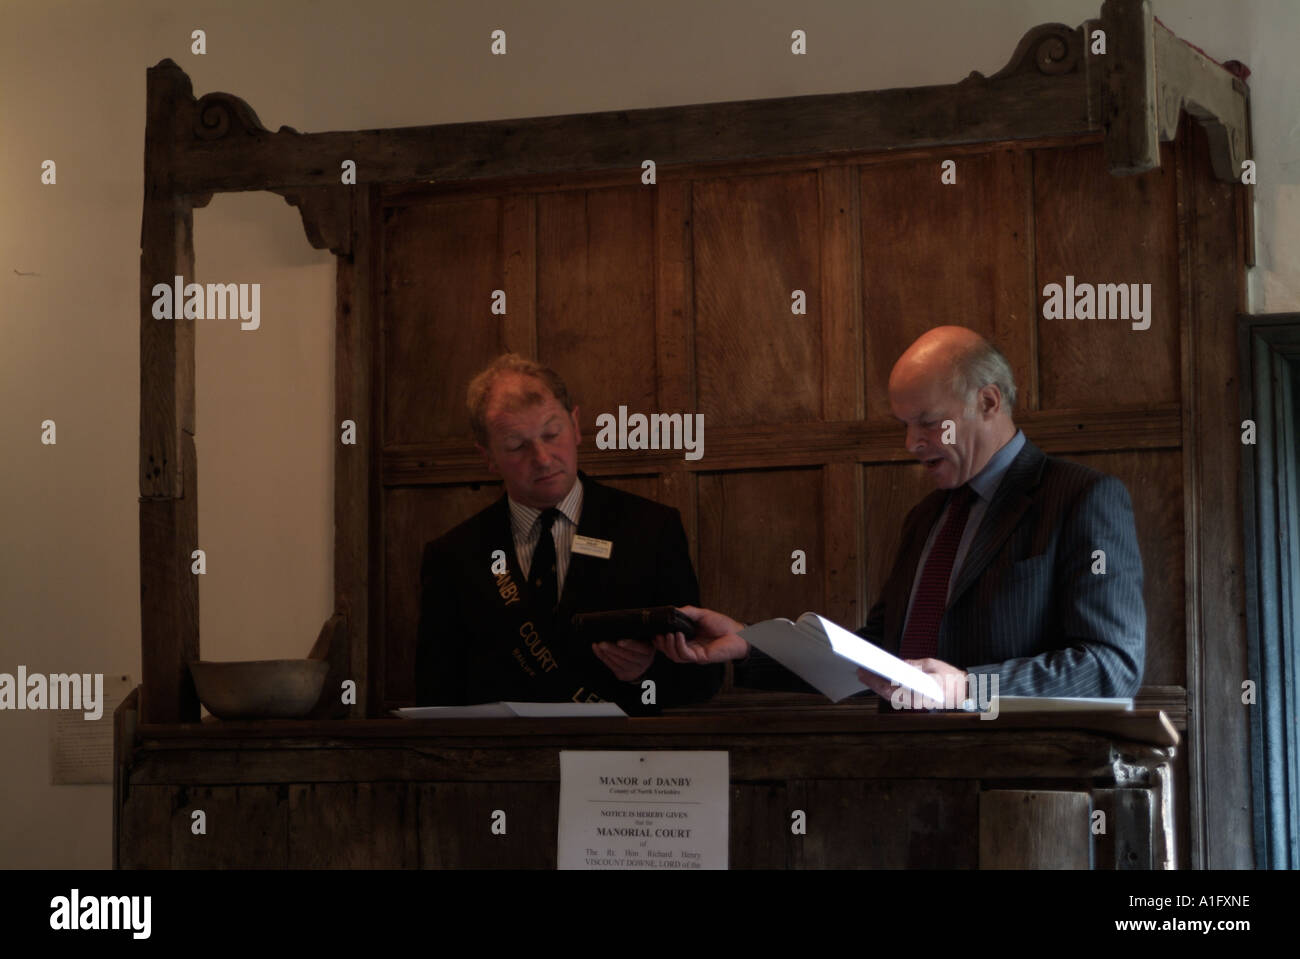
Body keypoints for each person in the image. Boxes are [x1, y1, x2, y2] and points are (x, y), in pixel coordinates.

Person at [654, 326, 1146, 703]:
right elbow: (881, 656)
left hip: (1020, 792)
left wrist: (968, 690)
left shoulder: (1084, 498)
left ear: (989, 401)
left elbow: (1111, 666)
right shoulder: (925, 517)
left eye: (929, 423)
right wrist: (750, 644)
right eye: (905, 426)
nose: (912, 444)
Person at [415, 354, 722, 713]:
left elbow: (703, 679)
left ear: (575, 426)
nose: (543, 458)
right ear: (488, 456)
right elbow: (435, 697)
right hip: (503, 761)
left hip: (619, 761)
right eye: (516, 445)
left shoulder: (651, 529)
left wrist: (645, 674)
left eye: (552, 433)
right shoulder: (454, 556)